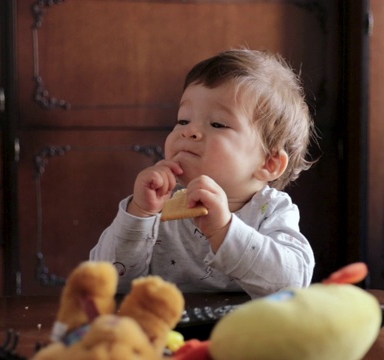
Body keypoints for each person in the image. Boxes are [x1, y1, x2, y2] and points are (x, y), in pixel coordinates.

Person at [90, 49, 316, 298]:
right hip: (165, 330)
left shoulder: (272, 211)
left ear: (269, 163)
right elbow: (104, 282)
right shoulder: (160, 204)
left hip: (247, 333)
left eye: (217, 124)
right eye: (183, 120)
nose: (189, 132)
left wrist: (223, 229)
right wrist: (139, 214)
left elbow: (292, 284)